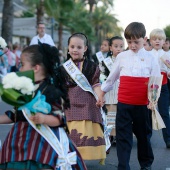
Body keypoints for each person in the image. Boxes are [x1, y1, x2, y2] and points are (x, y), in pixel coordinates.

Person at [0, 43, 87, 170]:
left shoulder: (51, 91)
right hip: (18, 142)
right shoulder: (23, 89)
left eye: (22, 64)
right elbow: (15, 115)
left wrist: (44, 118)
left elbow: (60, 118)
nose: (19, 69)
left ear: (36, 68)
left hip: (43, 145)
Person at [97, 22, 161, 170]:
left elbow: (155, 82)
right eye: (129, 42)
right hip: (124, 103)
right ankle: (123, 166)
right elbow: (111, 79)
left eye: (136, 42)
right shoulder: (122, 57)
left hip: (143, 104)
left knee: (144, 137)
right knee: (123, 137)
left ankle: (146, 165)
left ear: (145, 39)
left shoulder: (151, 58)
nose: (132, 45)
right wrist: (102, 94)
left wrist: (153, 100)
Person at [57, 33, 106, 162]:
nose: (75, 50)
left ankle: (82, 158)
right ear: (68, 48)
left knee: (85, 132)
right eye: (72, 46)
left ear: (85, 48)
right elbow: (60, 88)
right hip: (70, 104)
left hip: (87, 103)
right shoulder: (62, 68)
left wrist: (100, 95)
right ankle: (71, 157)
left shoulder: (92, 66)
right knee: (72, 132)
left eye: (79, 47)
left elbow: (95, 84)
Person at [149, 28, 170, 148]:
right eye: (155, 39)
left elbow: (168, 71)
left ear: (164, 41)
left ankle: (168, 139)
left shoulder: (167, 55)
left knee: (164, 112)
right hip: (150, 85)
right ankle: (146, 138)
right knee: (148, 111)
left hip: (163, 84)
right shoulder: (147, 54)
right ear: (151, 41)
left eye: (160, 39)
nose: (157, 41)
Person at [104, 36, 124, 147]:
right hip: (110, 93)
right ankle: (111, 135)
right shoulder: (105, 62)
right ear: (111, 48)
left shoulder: (126, 60)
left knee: (120, 115)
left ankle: (119, 135)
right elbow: (102, 77)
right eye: (116, 46)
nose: (119, 49)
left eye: (121, 46)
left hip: (122, 91)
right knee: (111, 114)